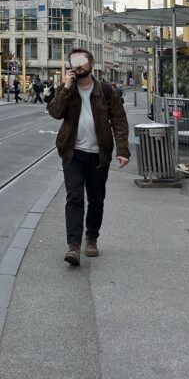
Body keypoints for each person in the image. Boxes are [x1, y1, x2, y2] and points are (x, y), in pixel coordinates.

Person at [48, 48, 130, 266]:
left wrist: (122, 150)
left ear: (92, 64)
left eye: (82, 61)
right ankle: (73, 246)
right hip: (72, 153)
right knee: (74, 198)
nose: (78, 65)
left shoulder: (105, 91)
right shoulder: (66, 89)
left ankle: (91, 238)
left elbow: (119, 121)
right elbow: (55, 112)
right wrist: (66, 88)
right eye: (74, 61)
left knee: (96, 199)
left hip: (98, 155)